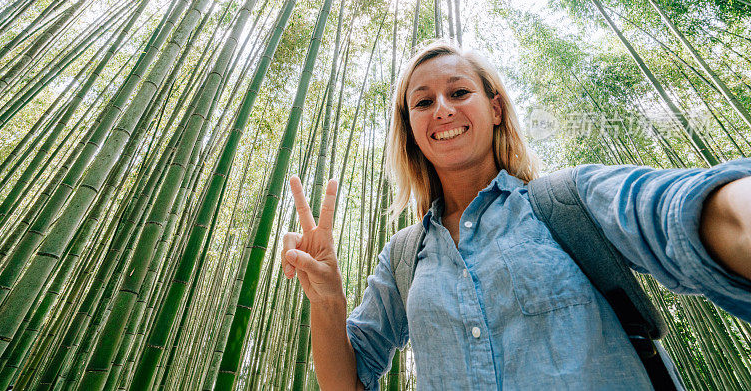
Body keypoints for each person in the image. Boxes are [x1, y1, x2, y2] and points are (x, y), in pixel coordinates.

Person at [281, 40, 751, 390]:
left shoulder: (570, 201)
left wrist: (734, 207)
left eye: (459, 92)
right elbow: (348, 381)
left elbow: (674, 209)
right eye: (422, 102)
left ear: (496, 108)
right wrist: (327, 302)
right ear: (411, 130)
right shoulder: (405, 255)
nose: (442, 110)